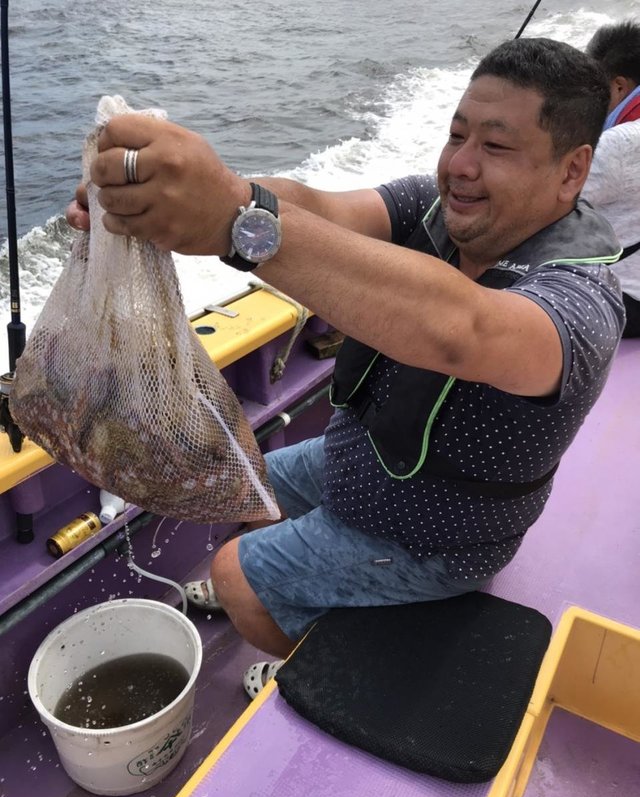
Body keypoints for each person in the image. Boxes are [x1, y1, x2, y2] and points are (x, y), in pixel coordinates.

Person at [68, 38, 624, 695]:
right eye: (457, 135)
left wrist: (233, 220)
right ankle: (323, 599)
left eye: (496, 147)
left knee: (234, 575)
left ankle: (318, 665)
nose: (462, 167)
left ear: (571, 170)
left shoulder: (580, 307)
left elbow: (461, 330)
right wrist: (185, 195)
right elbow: (320, 209)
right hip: (360, 470)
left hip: (442, 542)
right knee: (238, 481)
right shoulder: (438, 211)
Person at [582, 20, 640, 338]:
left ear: (618, 86)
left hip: (625, 302)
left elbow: (544, 208)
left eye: (593, 90)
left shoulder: (618, 143)